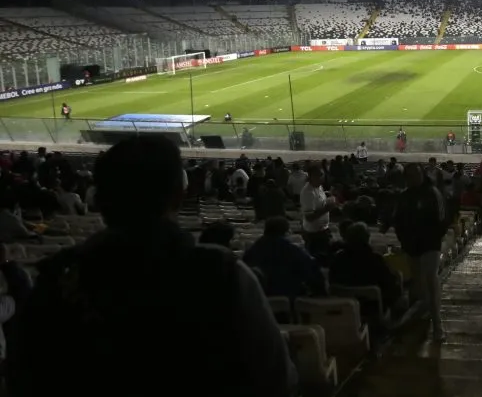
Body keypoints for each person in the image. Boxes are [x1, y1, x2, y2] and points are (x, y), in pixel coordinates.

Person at [6, 135, 296, 396]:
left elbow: (24, 378)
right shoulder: (222, 274)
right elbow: (276, 380)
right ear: (178, 196)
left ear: (102, 200)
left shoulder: (57, 278)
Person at [383, 164, 447, 342]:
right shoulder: (404, 196)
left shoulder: (432, 193)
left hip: (429, 246)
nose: (412, 179)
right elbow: (398, 221)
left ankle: (437, 326)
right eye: (409, 176)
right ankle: (421, 320)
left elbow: (441, 220)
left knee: (431, 282)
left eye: (415, 174)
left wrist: (432, 240)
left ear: (421, 174)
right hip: (412, 248)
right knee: (419, 286)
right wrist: (405, 242)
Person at [329, 222, 401, 317]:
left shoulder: (337, 259)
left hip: (344, 311)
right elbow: (389, 286)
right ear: (367, 238)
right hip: (373, 310)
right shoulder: (376, 260)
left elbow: (332, 282)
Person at [244, 216, 325, 300]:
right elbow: (311, 270)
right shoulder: (292, 249)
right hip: (289, 296)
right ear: (286, 231)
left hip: (257, 297)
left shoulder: (254, 249)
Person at [299, 164, 336, 262]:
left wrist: (328, 198)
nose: (321, 177)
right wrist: (327, 208)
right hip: (313, 234)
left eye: (322, 174)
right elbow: (309, 217)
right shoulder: (307, 192)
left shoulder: (319, 187)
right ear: (310, 176)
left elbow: (319, 203)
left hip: (323, 229)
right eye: (318, 175)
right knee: (316, 260)